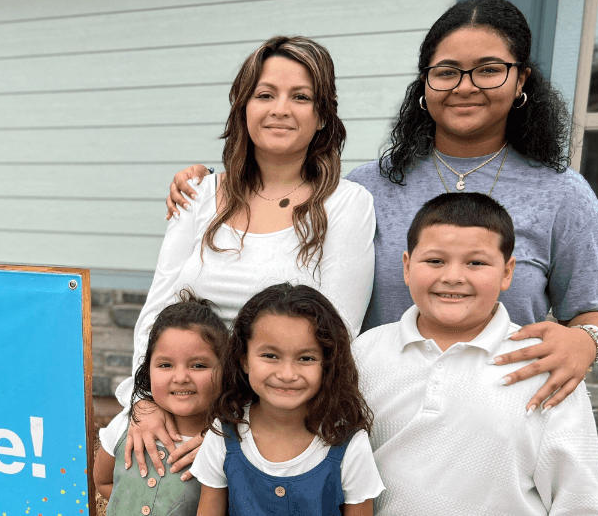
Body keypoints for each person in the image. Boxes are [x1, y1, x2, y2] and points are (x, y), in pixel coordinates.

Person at [163, 0, 598, 414]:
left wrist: (586, 342)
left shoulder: (563, 194)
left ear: (521, 79)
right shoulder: (366, 189)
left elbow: (596, 312)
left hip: (502, 415)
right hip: (378, 413)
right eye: (446, 71)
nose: (465, 86)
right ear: (424, 85)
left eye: (488, 69)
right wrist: (210, 184)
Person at [116, 36, 377, 480]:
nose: (280, 108)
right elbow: (157, 310)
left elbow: (339, 334)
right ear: (243, 108)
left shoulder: (346, 203)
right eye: (265, 94)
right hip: (182, 410)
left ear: (322, 117)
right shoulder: (199, 195)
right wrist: (143, 401)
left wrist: (229, 437)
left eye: (300, 96)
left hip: (278, 428)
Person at [353, 192, 598, 514]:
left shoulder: (546, 363)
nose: (453, 277)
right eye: (435, 260)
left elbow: (580, 498)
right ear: (407, 267)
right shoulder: (363, 354)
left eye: (476, 262)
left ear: (506, 272)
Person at [193, 283, 383, 516]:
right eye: (270, 356)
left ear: (328, 364)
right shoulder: (223, 433)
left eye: (306, 358)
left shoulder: (349, 444)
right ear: (244, 358)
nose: (287, 374)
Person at [93, 290, 226, 515]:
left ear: (226, 371)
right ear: (147, 370)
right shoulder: (126, 424)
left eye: (198, 365)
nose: (181, 377)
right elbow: (103, 482)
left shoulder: (223, 444)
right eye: (165, 365)